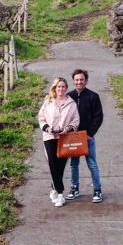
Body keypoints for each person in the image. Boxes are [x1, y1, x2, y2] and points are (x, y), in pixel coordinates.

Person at [37, 77, 80, 207]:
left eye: (63, 87)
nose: (60, 89)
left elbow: (76, 121)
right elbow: (41, 117)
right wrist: (47, 128)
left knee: (60, 166)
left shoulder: (72, 104)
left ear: (66, 88)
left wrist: (68, 128)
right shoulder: (48, 102)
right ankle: (60, 194)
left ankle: (54, 189)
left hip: (64, 138)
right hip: (50, 138)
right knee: (53, 164)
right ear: (54, 88)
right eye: (58, 87)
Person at [66, 69, 104, 203]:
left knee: (92, 163)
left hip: (87, 137)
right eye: (76, 80)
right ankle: (74, 188)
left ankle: (97, 190)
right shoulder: (69, 96)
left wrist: (90, 133)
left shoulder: (93, 96)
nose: (79, 82)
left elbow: (98, 116)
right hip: (73, 137)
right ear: (73, 81)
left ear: (86, 80)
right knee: (74, 164)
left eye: (81, 79)